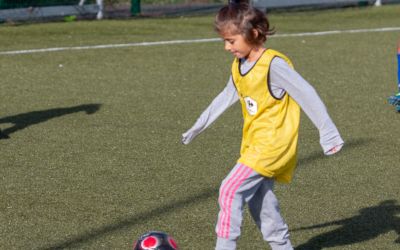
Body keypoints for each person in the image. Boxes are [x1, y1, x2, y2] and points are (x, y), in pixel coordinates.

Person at [181, 1, 344, 249]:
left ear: (253, 34)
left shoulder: (273, 65)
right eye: (224, 41)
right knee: (261, 202)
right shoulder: (239, 65)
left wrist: (328, 133)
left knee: (229, 189)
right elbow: (226, 96)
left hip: (272, 146)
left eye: (231, 41)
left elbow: (307, 94)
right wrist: (198, 126)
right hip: (253, 144)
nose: (226, 47)